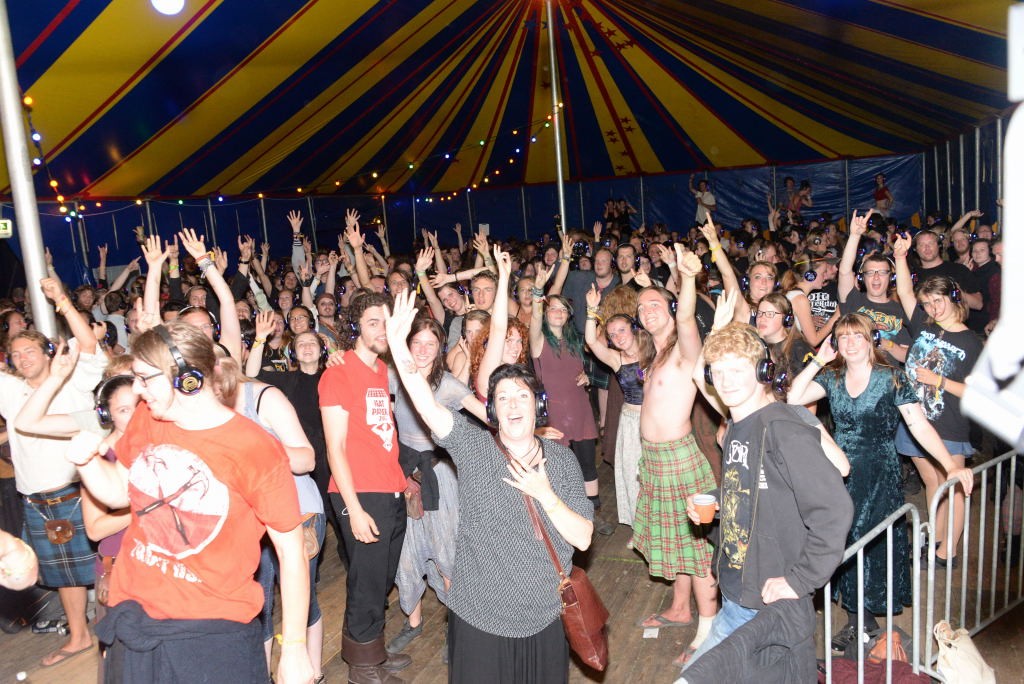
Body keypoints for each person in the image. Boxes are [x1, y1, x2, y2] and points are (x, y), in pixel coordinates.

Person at [64, 322, 313, 683]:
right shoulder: (148, 418)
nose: (135, 389)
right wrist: (87, 463)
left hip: (210, 634)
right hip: (134, 617)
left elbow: (291, 553)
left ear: (188, 379)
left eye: (145, 378)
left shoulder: (254, 448)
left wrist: (293, 648)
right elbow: (120, 492)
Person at [385, 289, 593, 683]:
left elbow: (583, 538)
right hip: (479, 615)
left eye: (522, 396)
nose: (513, 405)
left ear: (538, 406)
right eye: (503, 398)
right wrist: (399, 347)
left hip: (543, 615)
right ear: (493, 411)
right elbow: (428, 406)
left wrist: (544, 492)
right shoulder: (475, 448)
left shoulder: (561, 460)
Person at [676, 321, 853, 682]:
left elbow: (834, 510)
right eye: (718, 371)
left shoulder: (782, 429)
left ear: (762, 371)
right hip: (738, 589)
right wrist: (715, 504)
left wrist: (800, 579)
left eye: (737, 369)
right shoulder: (738, 428)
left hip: (764, 601)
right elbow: (753, 491)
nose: (725, 381)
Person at [787, 313, 973, 652]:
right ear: (836, 344)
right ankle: (860, 621)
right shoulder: (832, 376)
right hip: (839, 469)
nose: (850, 343)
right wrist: (817, 360)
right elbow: (793, 398)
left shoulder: (892, 378)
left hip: (879, 471)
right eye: (843, 337)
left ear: (871, 340)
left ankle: (862, 621)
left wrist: (949, 466)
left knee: (871, 543)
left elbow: (918, 425)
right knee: (843, 540)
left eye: (857, 336)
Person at [1, 277, 105, 668]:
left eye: (30, 349)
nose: (23, 357)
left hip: (80, 492)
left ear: (48, 352)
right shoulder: (10, 391)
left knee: (105, 565)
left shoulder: (73, 377)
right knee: (65, 577)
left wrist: (61, 298)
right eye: (16, 353)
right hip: (37, 500)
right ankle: (79, 637)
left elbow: (88, 342)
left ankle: (117, 630)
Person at [319, 291, 411, 683]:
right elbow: (334, 447)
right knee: (366, 581)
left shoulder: (381, 370)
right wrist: (354, 509)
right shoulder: (337, 372)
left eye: (387, 323)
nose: (382, 330)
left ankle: (368, 646)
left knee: (381, 578)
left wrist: (401, 484)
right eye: (373, 321)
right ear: (356, 325)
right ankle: (362, 666)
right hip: (357, 492)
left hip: (390, 487)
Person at [633, 246, 718, 664]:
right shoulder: (653, 354)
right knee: (676, 539)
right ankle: (680, 608)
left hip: (682, 461)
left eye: (654, 304)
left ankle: (708, 629)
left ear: (668, 307)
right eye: (641, 307)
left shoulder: (686, 349)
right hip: (655, 460)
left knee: (697, 549)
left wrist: (685, 278)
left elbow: (686, 317)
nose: (647, 310)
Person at [387, 317, 488, 660]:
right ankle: (412, 622)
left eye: (431, 344)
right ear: (407, 344)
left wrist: (523, 423)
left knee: (446, 548)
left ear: (440, 348)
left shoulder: (447, 385)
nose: (423, 350)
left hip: (440, 474)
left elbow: (486, 414)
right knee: (406, 551)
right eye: (417, 343)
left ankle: (454, 625)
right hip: (403, 474)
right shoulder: (394, 377)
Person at [893, 235, 984, 567]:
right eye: (927, 303)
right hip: (917, 421)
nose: (931, 308)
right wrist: (900, 257)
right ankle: (936, 538)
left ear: (952, 297)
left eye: (937, 301)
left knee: (955, 486)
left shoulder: (971, 342)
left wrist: (939, 381)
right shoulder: (923, 325)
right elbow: (904, 293)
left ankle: (949, 552)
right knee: (933, 482)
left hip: (949, 424)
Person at [529, 265, 612, 535]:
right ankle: (560, 518)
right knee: (559, 469)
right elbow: (534, 318)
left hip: (579, 409)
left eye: (563, 310)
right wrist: (538, 293)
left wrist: (587, 376)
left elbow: (582, 363)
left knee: (588, 463)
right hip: (554, 414)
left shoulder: (575, 340)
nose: (558, 313)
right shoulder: (538, 340)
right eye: (553, 308)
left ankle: (592, 513)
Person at [584, 285, 653, 540]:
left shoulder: (653, 351)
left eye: (622, 330)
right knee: (632, 477)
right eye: (612, 335)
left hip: (655, 420)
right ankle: (641, 530)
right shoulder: (616, 359)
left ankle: (657, 526)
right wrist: (592, 310)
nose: (618, 337)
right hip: (630, 421)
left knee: (654, 476)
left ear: (634, 329)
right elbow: (591, 341)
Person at [837, 210, 912, 362]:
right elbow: (844, 271)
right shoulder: (854, 301)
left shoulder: (901, 310)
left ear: (891, 278)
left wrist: (887, 344)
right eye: (870, 273)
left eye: (882, 272)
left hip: (888, 379)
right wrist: (854, 236)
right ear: (862, 278)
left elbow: (907, 357)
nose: (876, 277)